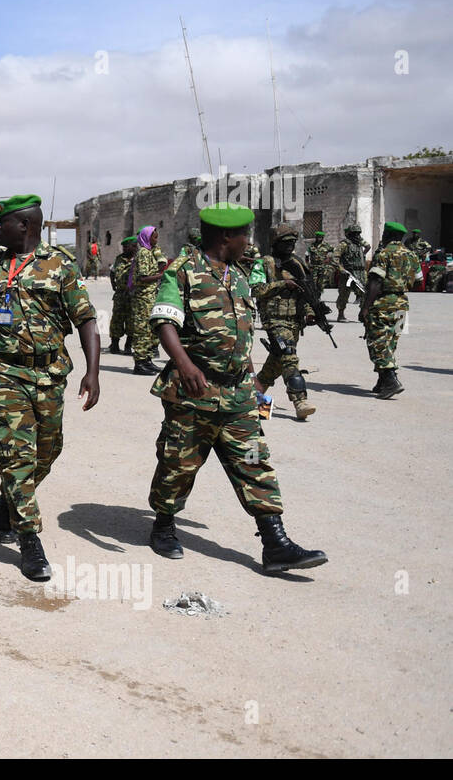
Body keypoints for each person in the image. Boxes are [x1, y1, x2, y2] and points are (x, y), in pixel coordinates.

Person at [145, 202, 327, 573]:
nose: (248, 241)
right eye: (244, 234)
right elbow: (165, 322)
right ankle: (164, 524)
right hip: (193, 392)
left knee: (254, 463)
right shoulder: (184, 271)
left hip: (238, 394)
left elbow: (240, 335)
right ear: (226, 236)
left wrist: (254, 380)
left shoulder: (239, 275)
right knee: (178, 464)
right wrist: (184, 364)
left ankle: (275, 542)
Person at [0, 194, 99, 580]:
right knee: (15, 454)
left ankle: (5, 506)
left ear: (23, 225)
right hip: (5, 374)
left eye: (2, 223)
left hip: (50, 373)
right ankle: (30, 540)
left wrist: (94, 371)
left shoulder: (60, 265)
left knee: (48, 449)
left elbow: (86, 319)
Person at [252, 223, 317, 421]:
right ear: (275, 243)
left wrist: (309, 311)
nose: (290, 247)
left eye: (293, 243)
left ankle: (254, 403)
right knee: (289, 357)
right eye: (286, 243)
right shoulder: (264, 263)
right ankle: (300, 401)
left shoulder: (298, 264)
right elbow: (255, 289)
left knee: (275, 364)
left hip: (294, 322)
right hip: (275, 320)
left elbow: (305, 293)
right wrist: (282, 284)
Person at [361, 221, 421, 399]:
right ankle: (382, 382)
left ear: (388, 236)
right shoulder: (412, 255)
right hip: (402, 304)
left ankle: (391, 380)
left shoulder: (384, 254)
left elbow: (375, 282)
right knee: (391, 342)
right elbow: (418, 281)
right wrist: (402, 285)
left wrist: (365, 308)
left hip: (383, 303)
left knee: (378, 342)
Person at [129, 225, 169, 374]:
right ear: (147, 238)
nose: (156, 240)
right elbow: (143, 277)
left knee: (148, 330)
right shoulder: (144, 253)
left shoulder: (149, 252)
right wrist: (163, 275)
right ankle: (140, 363)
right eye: (154, 237)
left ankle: (147, 360)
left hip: (149, 296)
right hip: (143, 297)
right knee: (142, 330)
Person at [334, 224, 370, 321]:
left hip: (361, 274)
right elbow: (335, 258)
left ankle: (363, 314)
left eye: (358, 233)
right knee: (344, 295)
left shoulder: (359, 244)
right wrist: (341, 269)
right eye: (355, 233)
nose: (357, 235)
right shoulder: (344, 244)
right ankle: (340, 315)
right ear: (349, 234)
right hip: (348, 274)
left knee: (364, 294)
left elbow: (368, 246)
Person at [107, 236, 136, 353]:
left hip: (133, 295)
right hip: (120, 295)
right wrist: (113, 285)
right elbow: (112, 272)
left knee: (131, 320)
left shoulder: (138, 259)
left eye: (126, 247)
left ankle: (128, 346)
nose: (124, 249)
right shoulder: (118, 259)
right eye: (123, 247)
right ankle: (114, 344)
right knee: (116, 320)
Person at [306, 231, 334, 303]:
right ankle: (314, 297)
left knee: (320, 283)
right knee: (313, 283)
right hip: (313, 267)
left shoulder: (326, 245)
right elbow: (307, 255)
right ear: (316, 237)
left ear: (322, 238)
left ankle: (318, 296)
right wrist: (307, 264)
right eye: (318, 237)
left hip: (323, 267)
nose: (319, 239)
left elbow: (335, 251)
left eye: (320, 237)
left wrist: (329, 258)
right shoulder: (311, 246)